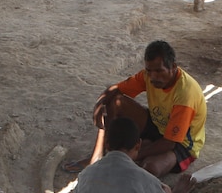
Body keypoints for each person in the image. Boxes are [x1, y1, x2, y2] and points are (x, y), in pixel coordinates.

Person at [64, 40, 207, 179]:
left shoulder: (185, 94)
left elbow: (169, 143)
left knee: (150, 168)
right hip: (158, 125)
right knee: (115, 102)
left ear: (173, 67)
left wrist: (132, 155)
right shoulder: (147, 76)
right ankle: (98, 154)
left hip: (181, 144)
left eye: (159, 71)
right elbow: (115, 90)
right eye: (149, 71)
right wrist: (98, 106)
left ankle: (127, 156)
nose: (153, 77)